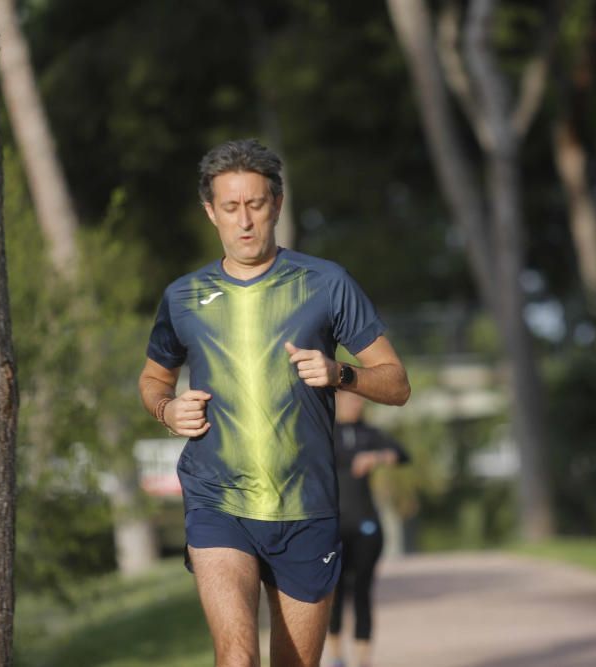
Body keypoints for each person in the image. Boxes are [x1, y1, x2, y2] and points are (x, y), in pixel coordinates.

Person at [138, 138, 410, 667]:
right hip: (218, 502)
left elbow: (397, 383)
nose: (244, 222)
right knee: (237, 657)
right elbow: (153, 378)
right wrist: (166, 410)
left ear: (277, 205)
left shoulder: (327, 283)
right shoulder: (183, 297)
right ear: (210, 212)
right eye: (231, 208)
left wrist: (340, 373)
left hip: (305, 507)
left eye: (256, 205)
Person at [325, 390, 409, 667]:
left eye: (358, 400)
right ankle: (336, 656)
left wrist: (377, 457)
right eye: (348, 399)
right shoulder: (325, 431)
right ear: (336, 401)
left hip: (366, 524)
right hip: (333, 527)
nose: (354, 404)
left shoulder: (369, 434)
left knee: (362, 591)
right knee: (334, 593)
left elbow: (402, 454)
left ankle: (363, 660)